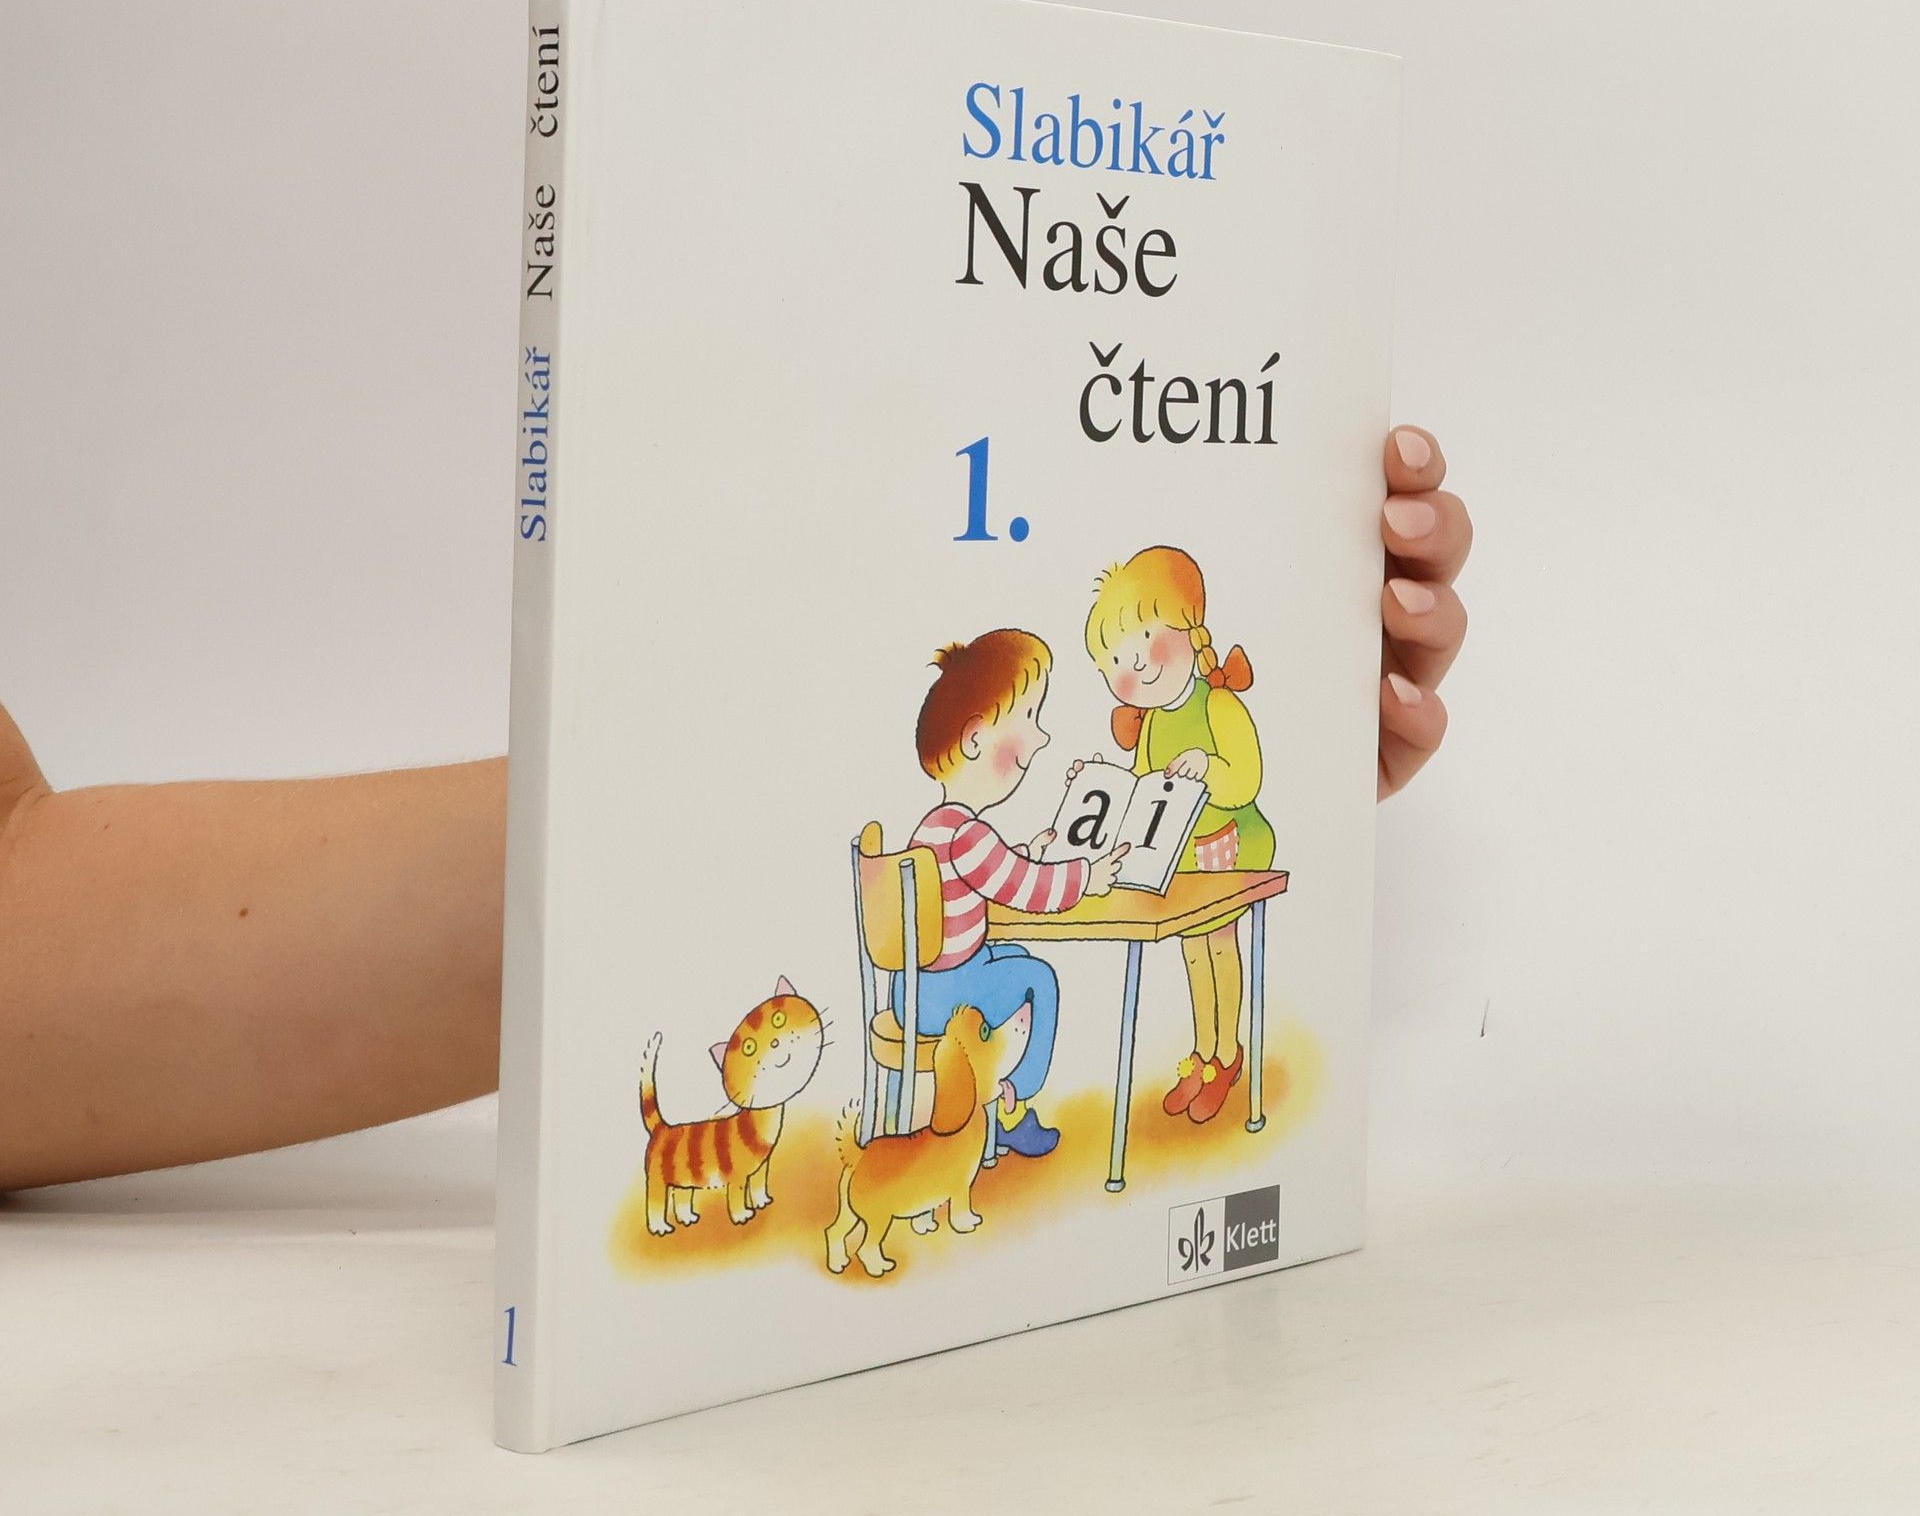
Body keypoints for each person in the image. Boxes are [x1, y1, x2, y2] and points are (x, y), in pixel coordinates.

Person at [0, 427, 1469, 1189]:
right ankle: (1008, 1112)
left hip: (928, 942)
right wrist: (1070, 867)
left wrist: (762, 779)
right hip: (946, 969)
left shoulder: (950, 816)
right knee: (1027, 984)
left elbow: (32, 927)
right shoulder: (960, 829)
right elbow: (1013, 885)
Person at [901, 629, 1127, 1159]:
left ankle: (988, 1097)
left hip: (914, 988)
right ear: (975, 740)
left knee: (1014, 955)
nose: (1040, 738)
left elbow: (994, 874)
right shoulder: (968, 835)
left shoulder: (936, 827)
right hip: (946, 997)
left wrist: (1028, 851)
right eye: (1028, 717)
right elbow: (1027, 889)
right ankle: (1011, 1104)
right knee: (1037, 979)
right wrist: (1084, 877)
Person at [1081, 544, 1271, 1125]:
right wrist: (1102, 785)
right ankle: (1203, 1050)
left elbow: (1246, 778)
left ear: (1190, 628)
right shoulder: (1150, 725)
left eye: (1145, 640)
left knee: (1219, 944)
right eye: (1118, 658)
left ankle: (1227, 1053)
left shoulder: (1218, 704)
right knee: (1192, 948)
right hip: (1180, 854)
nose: (1135, 665)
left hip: (1230, 843)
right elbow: (1144, 791)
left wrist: (1206, 767)